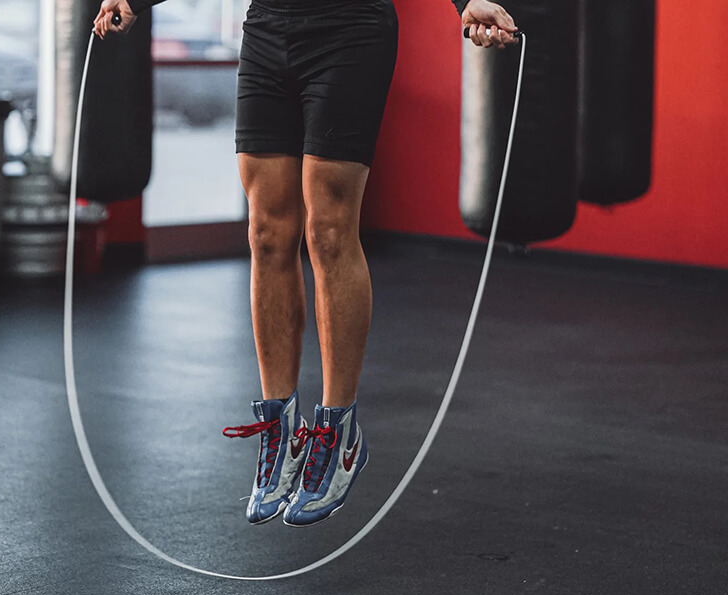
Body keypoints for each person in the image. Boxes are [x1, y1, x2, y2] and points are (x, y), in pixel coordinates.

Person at [94, 0, 518, 527]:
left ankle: (338, 431)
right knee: (267, 232)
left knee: (329, 229)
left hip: (351, 30)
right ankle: (280, 429)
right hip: (269, 27)